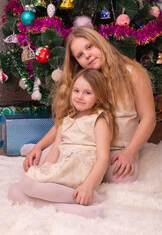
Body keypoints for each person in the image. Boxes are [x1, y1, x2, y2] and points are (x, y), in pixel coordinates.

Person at [21, 26, 156, 183]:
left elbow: (149, 118)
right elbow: (66, 122)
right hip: (82, 147)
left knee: (123, 177)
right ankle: (34, 149)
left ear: (100, 43)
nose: (87, 55)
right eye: (80, 55)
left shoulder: (132, 73)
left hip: (117, 149)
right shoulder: (83, 80)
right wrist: (40, 145)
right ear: (76, 61)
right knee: (44, 164)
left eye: (90, 47)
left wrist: (130, 152)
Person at [8, 68, 115, 218]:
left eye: (87, 93)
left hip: (79, 170)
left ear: (99, 97)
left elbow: (103, 158)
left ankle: (87, 195)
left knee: (28, 184)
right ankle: (75, 209)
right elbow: (55, 150)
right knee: (14, 190)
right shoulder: (66, 119)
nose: (79, 96)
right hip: (63, 167)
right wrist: (43, 172)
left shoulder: (99, 120)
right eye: (76, 91)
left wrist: (88, 186)